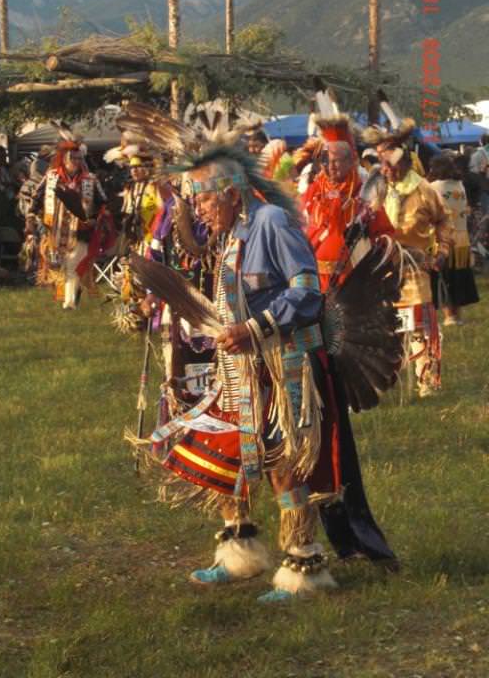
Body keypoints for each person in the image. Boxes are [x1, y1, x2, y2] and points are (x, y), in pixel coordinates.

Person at [122, 102, 401, 603]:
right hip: (242, 367)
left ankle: (304, 564)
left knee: (285, 463)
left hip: (285, 364)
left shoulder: (271, 222)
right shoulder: (230, 233)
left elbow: (307, 289)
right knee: (225, 453)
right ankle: (240, 550)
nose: (199, 211)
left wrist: (255, 328)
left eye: (204, 201)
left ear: (230, 194)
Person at [375, 137, 453, 397]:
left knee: (420, 326)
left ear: (406, 163)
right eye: (382, 164)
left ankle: (426, 379)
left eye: (390, 164)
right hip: (381, 270)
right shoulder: (377, 189)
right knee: (385, 327)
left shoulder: (424, 190)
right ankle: (383, 380)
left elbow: (443, 220)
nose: (385, 169)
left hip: (414, 269)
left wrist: (442, 251)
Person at [304, 116, 393, 291]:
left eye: (336, 161)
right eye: (326, 161)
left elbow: (384, 233)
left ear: (351, 161)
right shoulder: (313, 191)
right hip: (314, 278)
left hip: (352, 283)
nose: (330, 166)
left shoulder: (363, 194)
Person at [30, 140, 107, 309]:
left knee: (74, 263)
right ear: (64, 159)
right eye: (73, 158)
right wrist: (32, 215)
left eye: (79, 158)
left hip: (82, 229)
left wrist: (95, 218)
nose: (76, 162)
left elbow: (102, 202)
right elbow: (37, 196)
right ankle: (72, 292)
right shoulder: (52, 176)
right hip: (56, 228)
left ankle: (69, 302)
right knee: (61, 264)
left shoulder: (90, 179)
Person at [428, 153, 479, 324]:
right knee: (458, 275)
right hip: (462, 237)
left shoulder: (434, 187)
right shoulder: (459, 185)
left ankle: (449, 316)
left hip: (444, 237)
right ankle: (458, 315)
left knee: (445, 275)